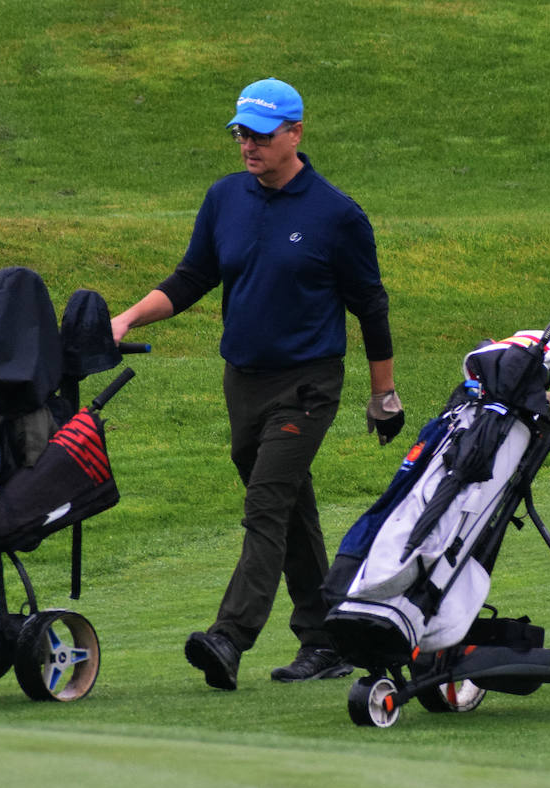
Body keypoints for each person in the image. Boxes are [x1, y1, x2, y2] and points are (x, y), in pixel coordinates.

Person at [110, 77, 405, 690]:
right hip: (242, 382)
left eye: (262, 136)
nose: (248, 146)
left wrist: (383, 394)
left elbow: (370, 307)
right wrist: (129, 317)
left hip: (308, 384)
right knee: (290, 506)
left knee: (266, 504)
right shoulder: (226, 199)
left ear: (295, 134)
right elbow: (193, 277)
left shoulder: (336, 214)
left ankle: (229, 636)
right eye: (242, 133)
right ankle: (325, 639)